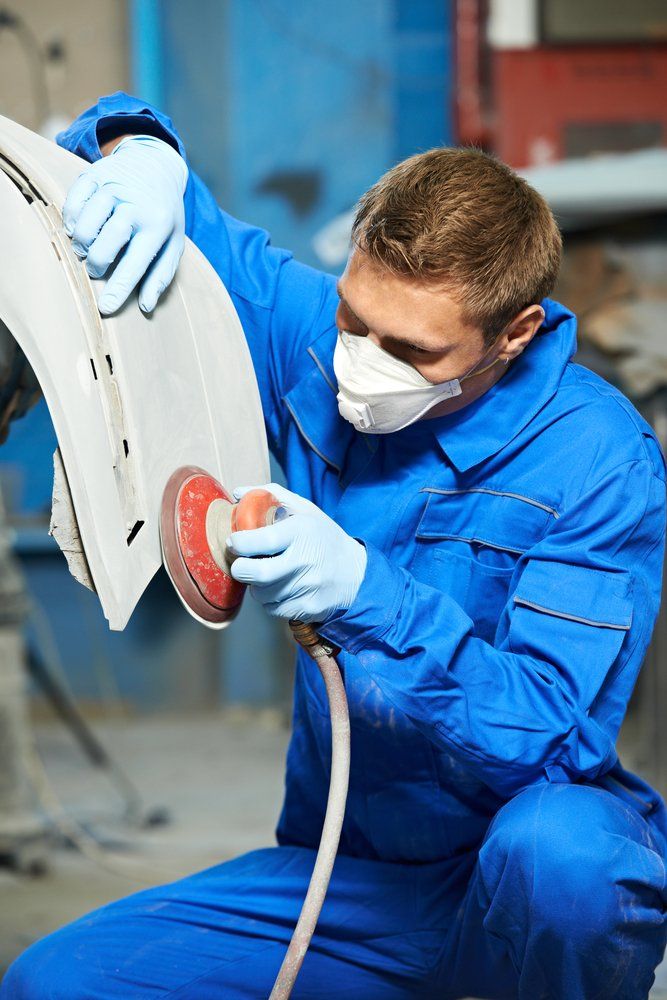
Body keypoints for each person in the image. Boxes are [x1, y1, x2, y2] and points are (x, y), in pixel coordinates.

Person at [3, 92, 666, 1000]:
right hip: (351, 874)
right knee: (59, 981)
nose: (361, 363)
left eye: (412, 350)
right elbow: (143, 195)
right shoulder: (311, 335)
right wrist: (140, 153)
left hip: (514, 871)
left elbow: (550, 736)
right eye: (357, 321)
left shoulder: (597, 457)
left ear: (512, 334)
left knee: (567, 862)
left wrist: (369, 595)